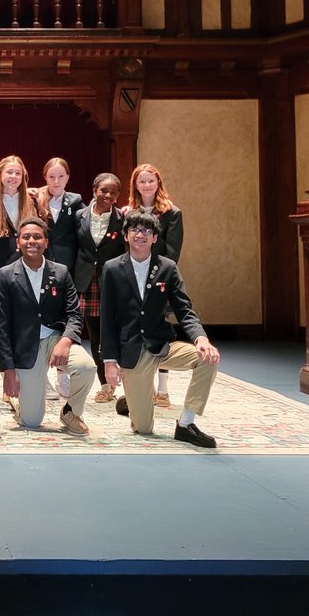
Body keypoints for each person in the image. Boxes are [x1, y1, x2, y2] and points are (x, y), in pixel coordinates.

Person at [99, 209, 220, 448]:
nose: (140, 235)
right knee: (143, 428)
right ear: (126, 235)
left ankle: (186, 424)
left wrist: (201, 338)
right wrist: (109, 360)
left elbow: (184, 309)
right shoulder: (112, 268)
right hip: (132, 350)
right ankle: (132, 401)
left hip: (162, 344)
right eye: (134, 229)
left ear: (155, 237)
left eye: (147, 230)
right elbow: (107, 317)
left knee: (208, 358)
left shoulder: (167, 267)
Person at [0, 217, 97, 434]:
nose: (32, 241)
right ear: (18, 241)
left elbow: (74, 314)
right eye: (26, 237)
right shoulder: (5, 275)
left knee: (86, 367)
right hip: (24, 346)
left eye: (37, 237)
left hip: (55, 340)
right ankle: (18, 401)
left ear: (46, 242)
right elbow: (0, 326)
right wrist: (8, 370)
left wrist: (66, 341)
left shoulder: (60, 272)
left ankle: (70, 411)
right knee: (31, 421)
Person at [125, 163, 185, 407]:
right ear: (135, 185)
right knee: (138, 329)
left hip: (160, 278)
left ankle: (163, 389)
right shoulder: (129, 211)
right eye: (142, 181)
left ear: (158, 182)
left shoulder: (172, 212)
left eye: (151, 181)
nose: (147, 185)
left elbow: (173, 251)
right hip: (134, 277)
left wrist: (158, 274)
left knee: (160, 331)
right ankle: (143, 385)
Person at [73, 173, 127, 403]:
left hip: (111, 281)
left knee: (113, 334)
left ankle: (124, 380)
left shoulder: (122, 219)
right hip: (86, 281)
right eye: (104, 190)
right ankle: (104, 384)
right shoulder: (78, 216)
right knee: (95, 336)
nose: (108, 195)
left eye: (114, 192)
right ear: (95, 189)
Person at [0, 155, 35, 278]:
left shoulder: (32, 202)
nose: (13, 176)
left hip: (27, 268)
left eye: (18, 173)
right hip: (0, 270)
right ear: (0, 174)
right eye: (9, 172)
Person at [36, 157, 86, 273]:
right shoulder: (35, 200)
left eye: (61, 176)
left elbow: (91, 216)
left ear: (68, 177)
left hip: (67, 263)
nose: (56, 181)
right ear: (45, 178)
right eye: (52, 177)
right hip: (41, 260)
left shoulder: (75, 201)